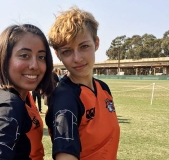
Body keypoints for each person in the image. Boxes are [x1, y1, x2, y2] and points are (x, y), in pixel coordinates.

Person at [45, 6, 120, 160]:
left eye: (84, 46)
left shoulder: (103, 88)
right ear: (58, 54)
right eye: (67, 51)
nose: (77, 58)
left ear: (96, 43)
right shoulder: (65, 99)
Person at [0, 24, 54, 160]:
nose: (35, 65)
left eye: (41, 57)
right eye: (24, 55)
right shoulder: (9, 104)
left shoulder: (23, 94)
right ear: (4, 59)